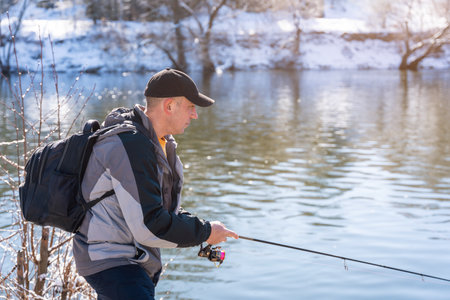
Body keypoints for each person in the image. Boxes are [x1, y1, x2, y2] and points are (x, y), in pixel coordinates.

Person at [73, 68, 238, 299]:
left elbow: (157, 210)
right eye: (191, 107)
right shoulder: (131, 145)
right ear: (170, 106)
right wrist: (206, 232)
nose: (195, 115)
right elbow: (150, 225)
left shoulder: (158, 145)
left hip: (129, 261)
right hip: (112, 261)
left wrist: (204, 227)